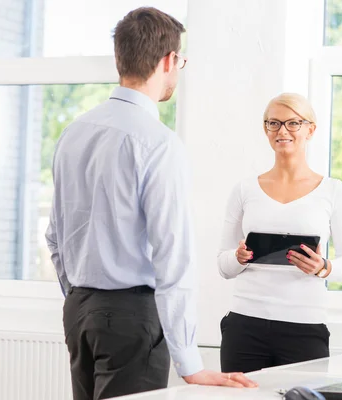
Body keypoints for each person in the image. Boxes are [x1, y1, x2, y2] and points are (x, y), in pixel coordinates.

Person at [45, 7, 256, 400]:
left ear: (119, 58)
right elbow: (172, 257)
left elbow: (54, 237)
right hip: (130, 316)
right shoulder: (158, 144)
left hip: (79, 312)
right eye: (182, 61)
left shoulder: (73, 133)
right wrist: (190, 364)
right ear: (169, 60)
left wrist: (82, 298)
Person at [217, 93, 342, 373]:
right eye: (274, 123)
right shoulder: (244, 190)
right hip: (244, 325)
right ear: (266, 129)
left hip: (304, 328)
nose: (282, 131)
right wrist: (239, 257)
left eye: (293, 123)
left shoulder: (334, 191)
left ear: (311, 129)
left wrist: (323, 267)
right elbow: (223, 267)